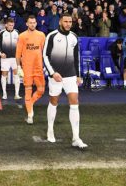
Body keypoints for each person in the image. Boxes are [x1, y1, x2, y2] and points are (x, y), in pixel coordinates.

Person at [43, 13, 88, 149]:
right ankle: (50, 130)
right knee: (53, 102)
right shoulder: (52, 36)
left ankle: (76, 138)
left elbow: (76, 57)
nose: (68, 23)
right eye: (65, 21)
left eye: (70, 21)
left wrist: (78, 75)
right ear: (60, 22)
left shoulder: (74, 37)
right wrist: (52, 73)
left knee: (75, 102)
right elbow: (45, 56)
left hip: (71, 75)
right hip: (56, 76)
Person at [16, 15, 46, 124]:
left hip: (38, 68)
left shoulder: (41, 35)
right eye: (30, 22)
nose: (32, 24)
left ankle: (30, 102)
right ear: (27, 24)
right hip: (27, 69)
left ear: (36, 23)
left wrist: (47, 65)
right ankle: (30, 115)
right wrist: (19, 67)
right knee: (27, 91)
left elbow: (45, 52)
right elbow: (18, 53)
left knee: (41, 90)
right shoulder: (22, 36)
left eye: (34, 22)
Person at [0, 18, 21, 100]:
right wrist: (1, 53)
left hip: (15, 58)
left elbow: (20, 44)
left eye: (12, 25)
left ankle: (17, 94)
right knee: (4, 75)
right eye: (9, 25)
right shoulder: (2, 33)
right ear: (6, 25)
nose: (11, 26)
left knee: (16, 75)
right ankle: (4, 93)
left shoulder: (17, 32)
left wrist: (20, 55)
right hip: (5, 58)